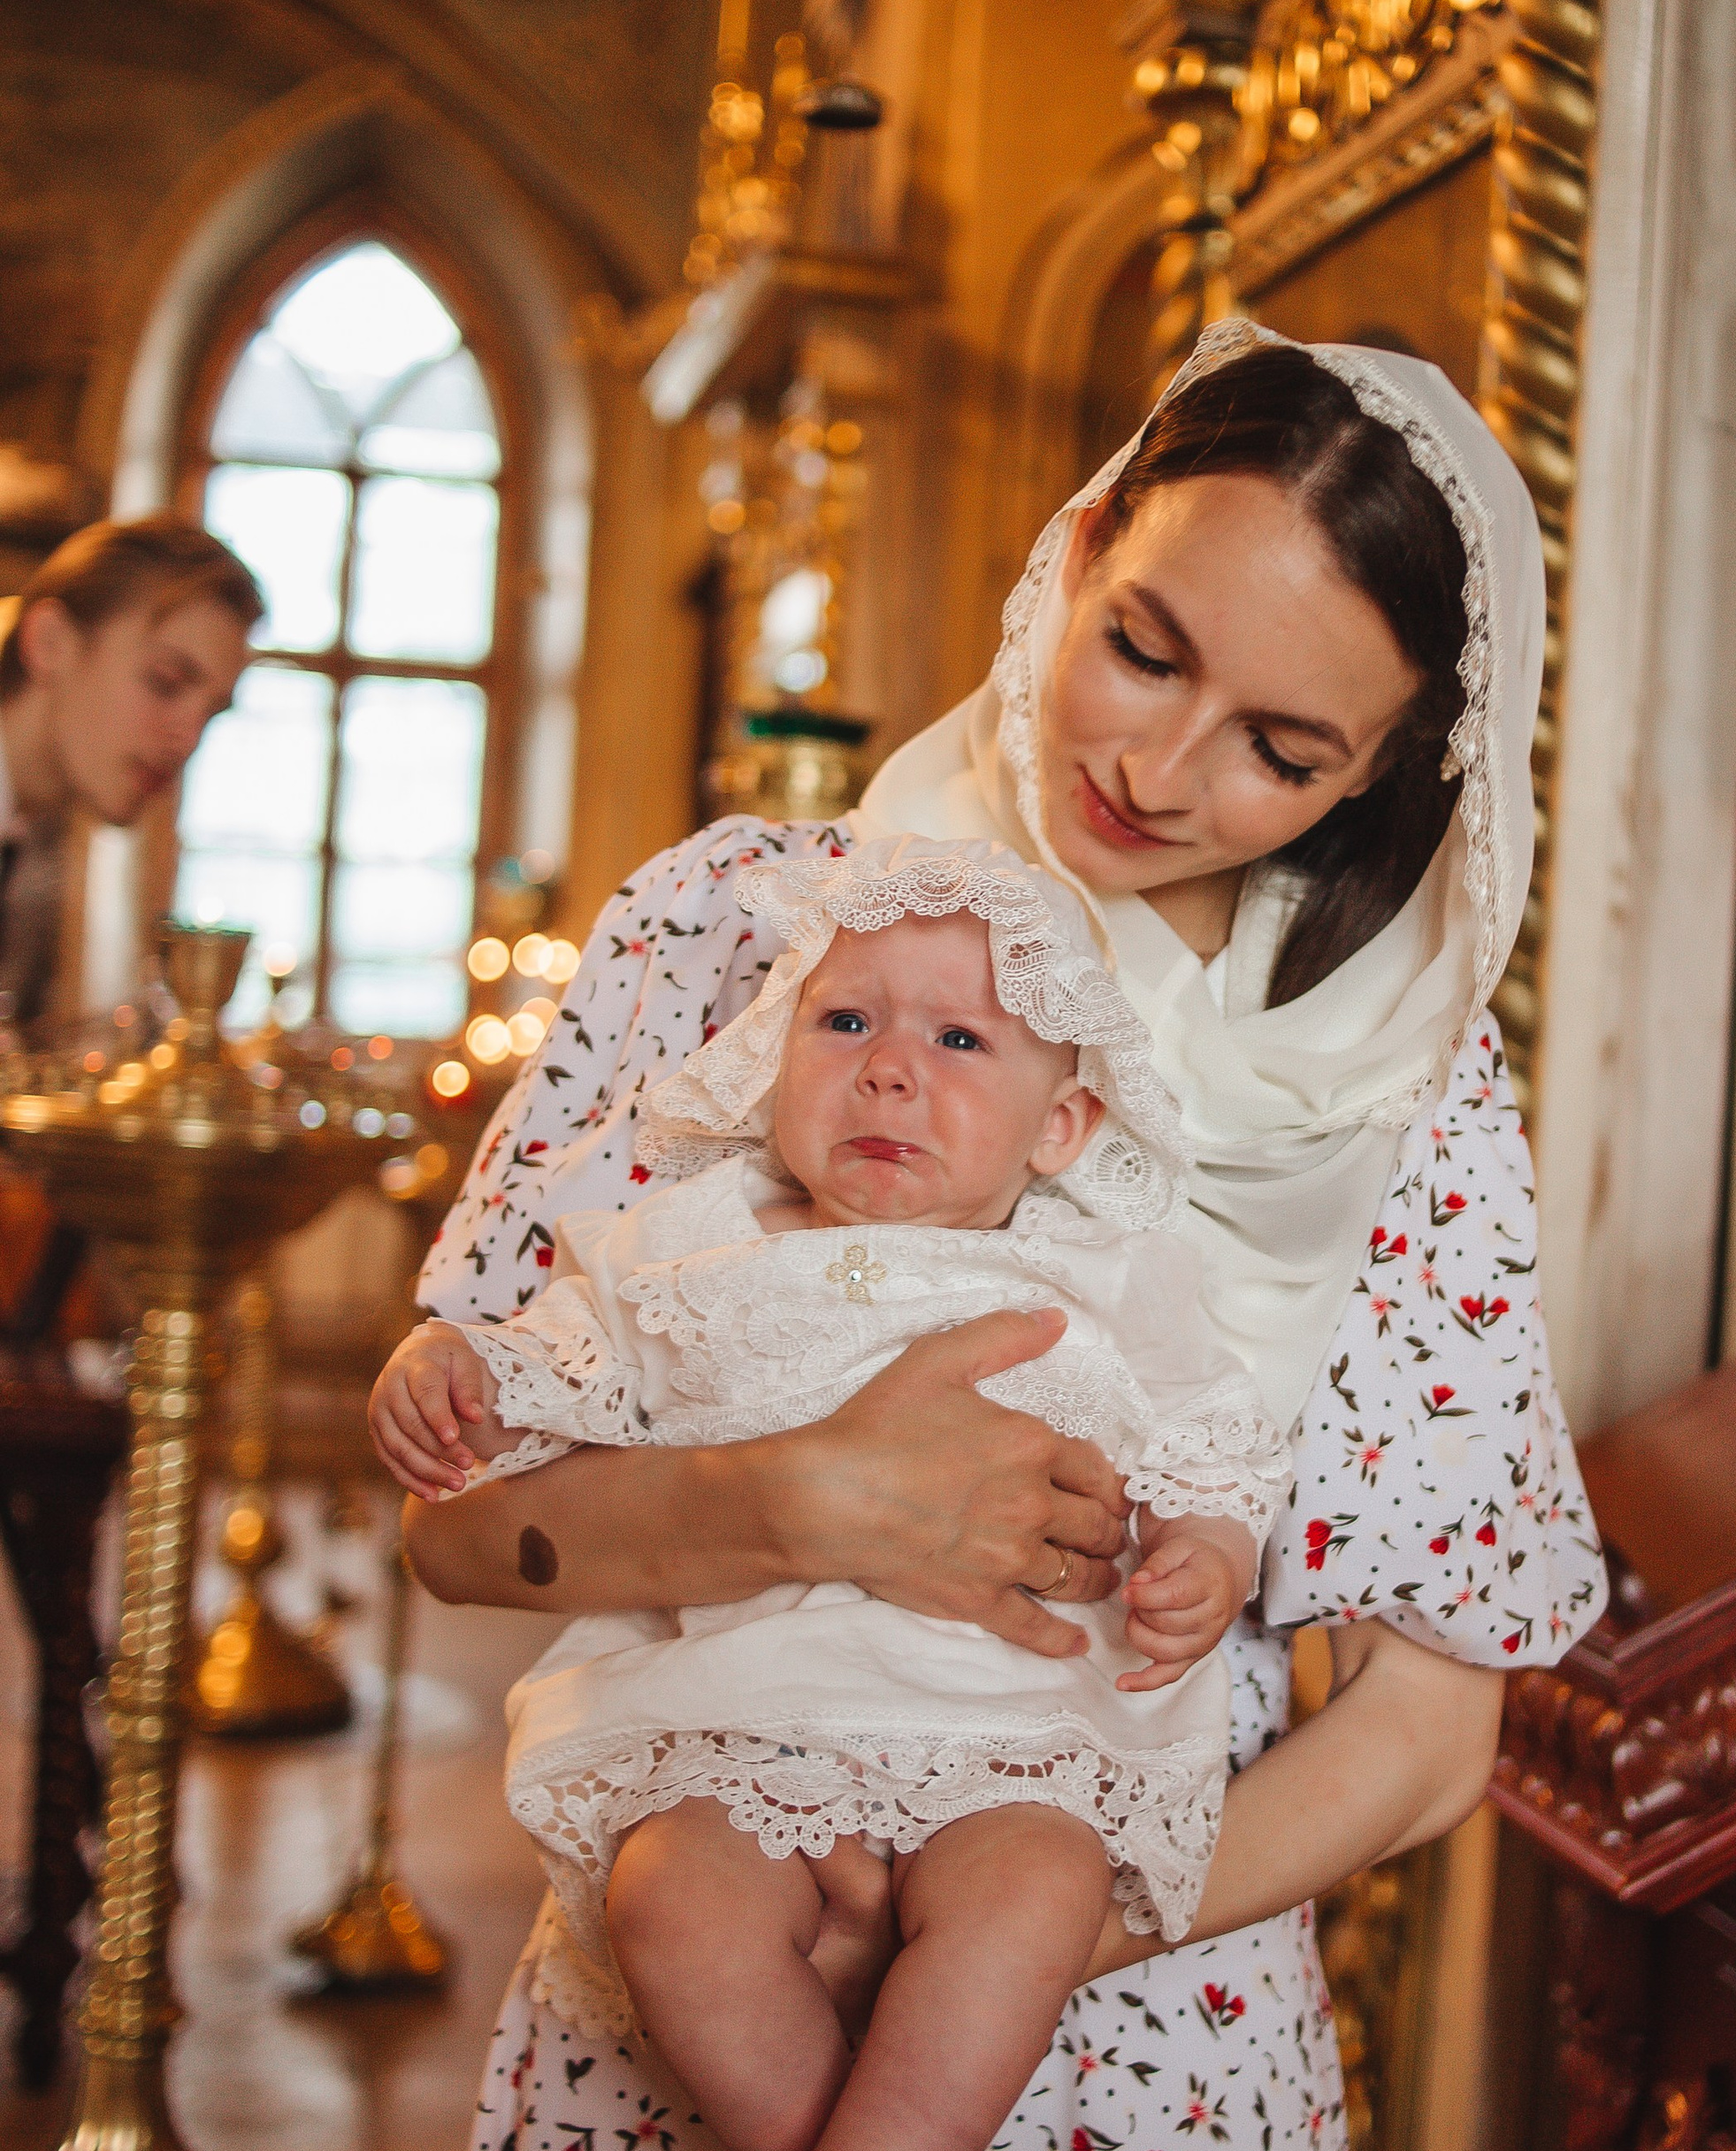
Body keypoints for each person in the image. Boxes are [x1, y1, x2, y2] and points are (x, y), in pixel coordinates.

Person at [401, 322, 1606, 2150]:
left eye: (1279, 748)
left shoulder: (1404, 1093)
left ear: (1378, 768)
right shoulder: (742, 927)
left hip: (1148, 2022)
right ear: (1083, 538)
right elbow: (463, 1528)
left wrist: (999, 1920)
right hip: (695, 1973)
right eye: (1140, 646)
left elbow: (1427, 1732)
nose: (1155, 764)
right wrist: (799, 1502)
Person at [371, 837, 1287, 2151]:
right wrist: (455, 1364)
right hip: (742, 1720)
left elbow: (1213, 1431)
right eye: (844, 1020)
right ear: (772, 1056)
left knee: (1035, 1895)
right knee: (668, 1900)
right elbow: (561, 1359)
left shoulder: (1094, 1275)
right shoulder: (697, 1242)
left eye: (962, 1041)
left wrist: (1207, 1543)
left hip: (1010, 1735)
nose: (890, 1066)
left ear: (1064, 1125)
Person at [0, 518, 257, 1027]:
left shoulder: (28, 837)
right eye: (166, 683)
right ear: (50, 642)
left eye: (211, 713)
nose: (189, 739)